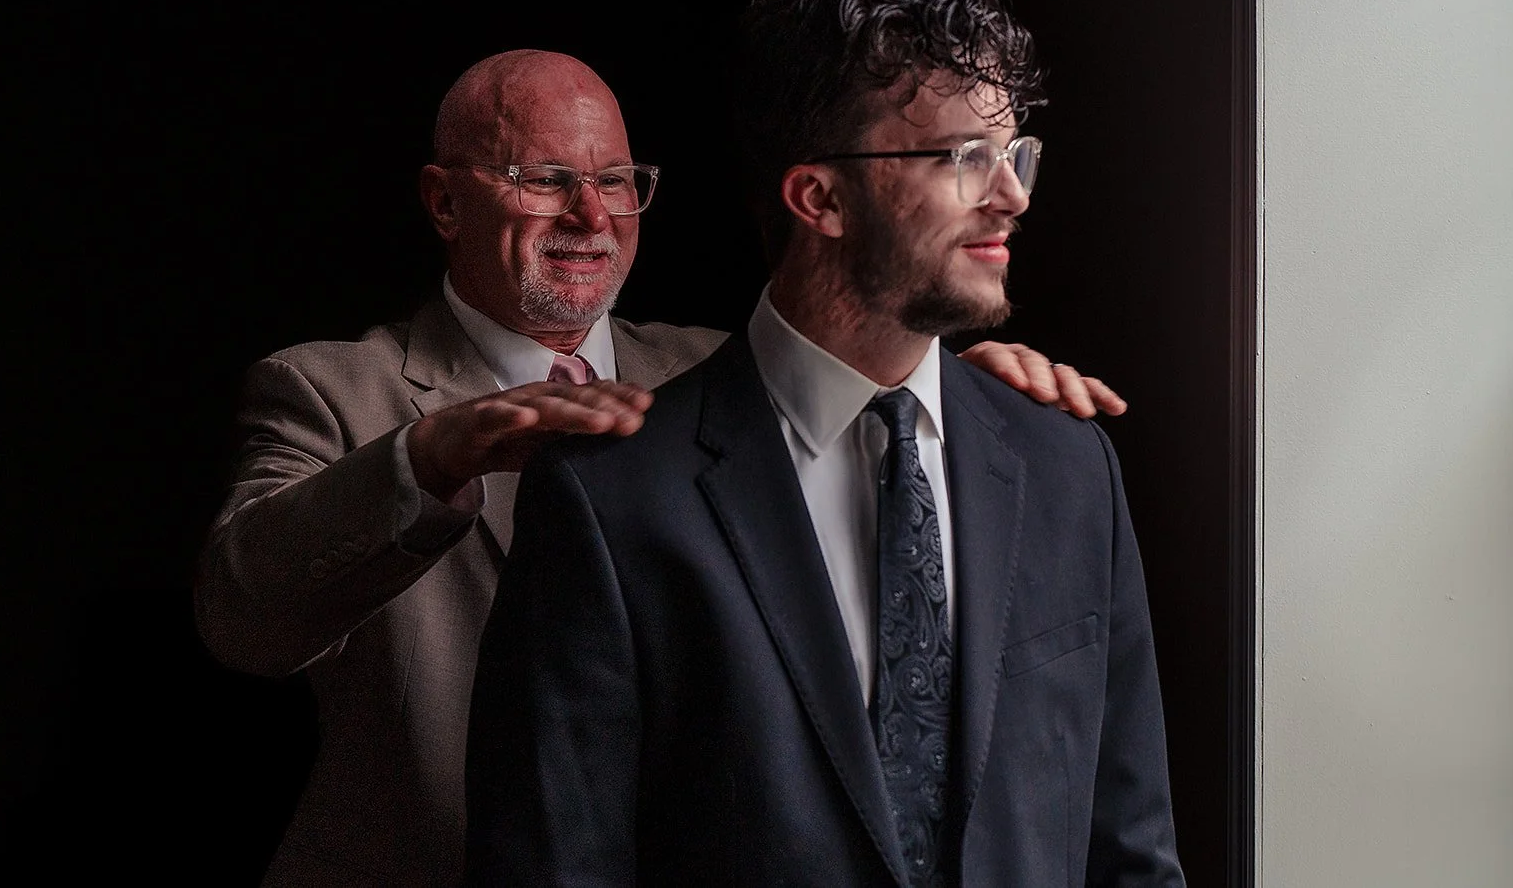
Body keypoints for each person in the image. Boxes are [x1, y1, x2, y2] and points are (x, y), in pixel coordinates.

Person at [194, 47, 1124, 887]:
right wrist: (432, 455)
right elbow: (244, 616)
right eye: (547, 180)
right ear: (444, 202)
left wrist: (951, 401)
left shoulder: (719, 377)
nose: (592, 215)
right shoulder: (326, 389)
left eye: (617, 180)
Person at [465, 0, 1184, 886]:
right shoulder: (611, 504)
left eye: (1015, 154)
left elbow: (1132, 857)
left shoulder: (1070, 470)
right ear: (819, 198)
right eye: (964, 157)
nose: (1012, 195)